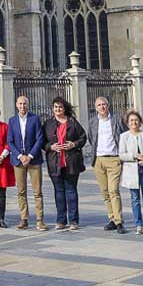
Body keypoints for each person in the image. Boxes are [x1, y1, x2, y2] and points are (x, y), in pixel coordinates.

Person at [86, 96, 128, 233]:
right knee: (105, 192)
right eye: (99, 105)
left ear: (108, 105)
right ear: (96, 107)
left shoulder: (116, 119)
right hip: (98, 160)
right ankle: (112, 219)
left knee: (113, 191)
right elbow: (91, 138)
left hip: (114, 159)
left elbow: (124, 135)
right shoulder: (93, 121)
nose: (102, 107)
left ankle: (119, 221)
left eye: (104, 104)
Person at [44, 97, 86, 230]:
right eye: (55, 107)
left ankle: (73, 221)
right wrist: (50, 147)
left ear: (64, 108)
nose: (58, 109)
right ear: (52, 109)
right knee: (59, 192)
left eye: (60, 107)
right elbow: (41, 141)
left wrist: (74, 144)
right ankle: (61, 220)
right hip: (55, 162)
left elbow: (83, 137)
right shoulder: (48, 124)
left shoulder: (72, 122)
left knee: (71, 191)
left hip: (71, 162)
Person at [7, 95, 46, 230]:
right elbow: (10, 141)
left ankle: (40, 219)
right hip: (18, 161)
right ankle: (24, 218)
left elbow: (39, 138)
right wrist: (19, 156)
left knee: (37, 191)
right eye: (20, 104)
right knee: (21, 191)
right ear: (16, 105)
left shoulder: (34, 119)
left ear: (28, 105)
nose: (22, 106)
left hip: (33, 159)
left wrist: (29, 156)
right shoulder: (12, 121)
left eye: (24, 103)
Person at [119, 110, 143, 235]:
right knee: (135, 199)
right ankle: (138, 225)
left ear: (140, 122)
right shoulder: (124, 136)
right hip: (132, 172)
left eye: (136, 120)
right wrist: (133, 155)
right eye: (131, 120)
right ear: (127, 123)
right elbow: (121, 155)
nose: (134, 122)